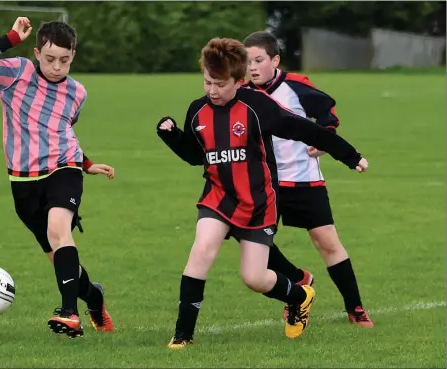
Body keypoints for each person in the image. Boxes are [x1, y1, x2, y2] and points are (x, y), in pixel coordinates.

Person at [157, 37, 369, 348]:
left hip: (257, 202)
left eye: (219, 84)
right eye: (207, 82)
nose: (212, 91)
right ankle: (182, 335)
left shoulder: (256, 108)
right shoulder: (198, 110)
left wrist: (349, 155)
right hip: (217, 196)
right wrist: (172, 135)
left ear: (238, 81)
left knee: (254, 278)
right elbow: (194, 155)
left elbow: (304, 129)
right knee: (201, 251)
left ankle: (299, 296)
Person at [0, 17, 114, 338]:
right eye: (49, 59)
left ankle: (70, 313)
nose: (57, 67)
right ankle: (93, 297)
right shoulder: (15, 72)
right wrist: (10, 38)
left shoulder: (77, 92)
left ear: (73, 56)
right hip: (23, 182)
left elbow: (62, 130)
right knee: (61, 259)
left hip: (63, 170)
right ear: (36, 53)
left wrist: (84, 164)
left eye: (65, 60)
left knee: (60, 231)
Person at [242, 31, 373, 327]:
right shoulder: (241, 93)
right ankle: (298, 282)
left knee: (327, 242)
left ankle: (355, 308)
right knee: (250, 240)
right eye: (247, 61)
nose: (252, 67)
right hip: (264, 184)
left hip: (303, 179)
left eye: (258, 60)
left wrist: (326, 137)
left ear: (275, 60)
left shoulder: (297, 86)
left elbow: (327, 114)